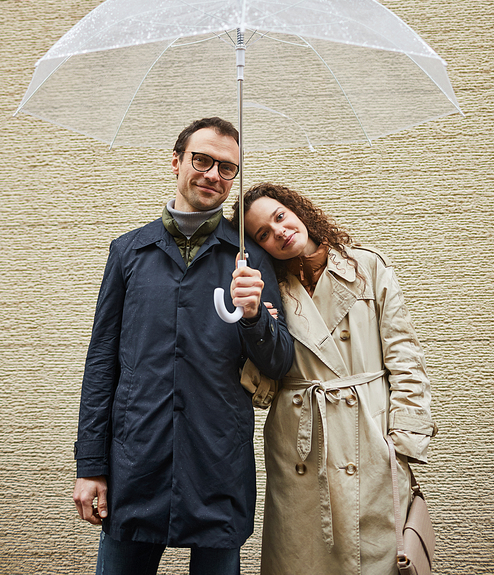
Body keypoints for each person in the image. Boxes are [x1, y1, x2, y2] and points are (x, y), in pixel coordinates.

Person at [72, 119, 294, 575]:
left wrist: (254, 317)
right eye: (203, 160)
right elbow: (101, 365)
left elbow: (279, 361)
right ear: (176, 162)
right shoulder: (129, 252)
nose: (214, 174)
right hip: (136, 460)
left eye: (227, 168)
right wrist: (91, 465)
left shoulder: (252, 260)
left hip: (218, 462)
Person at [232, 183, 437, 575]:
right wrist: (255, 320)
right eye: (263, 234)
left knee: (378, 558)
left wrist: (402, 443)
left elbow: (404, 355)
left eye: (279, 216)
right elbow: (261, 385)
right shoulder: (265, 288)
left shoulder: (367, 265)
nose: (278, 231)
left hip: (370, 437)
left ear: (296, 211)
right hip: (300, 446)